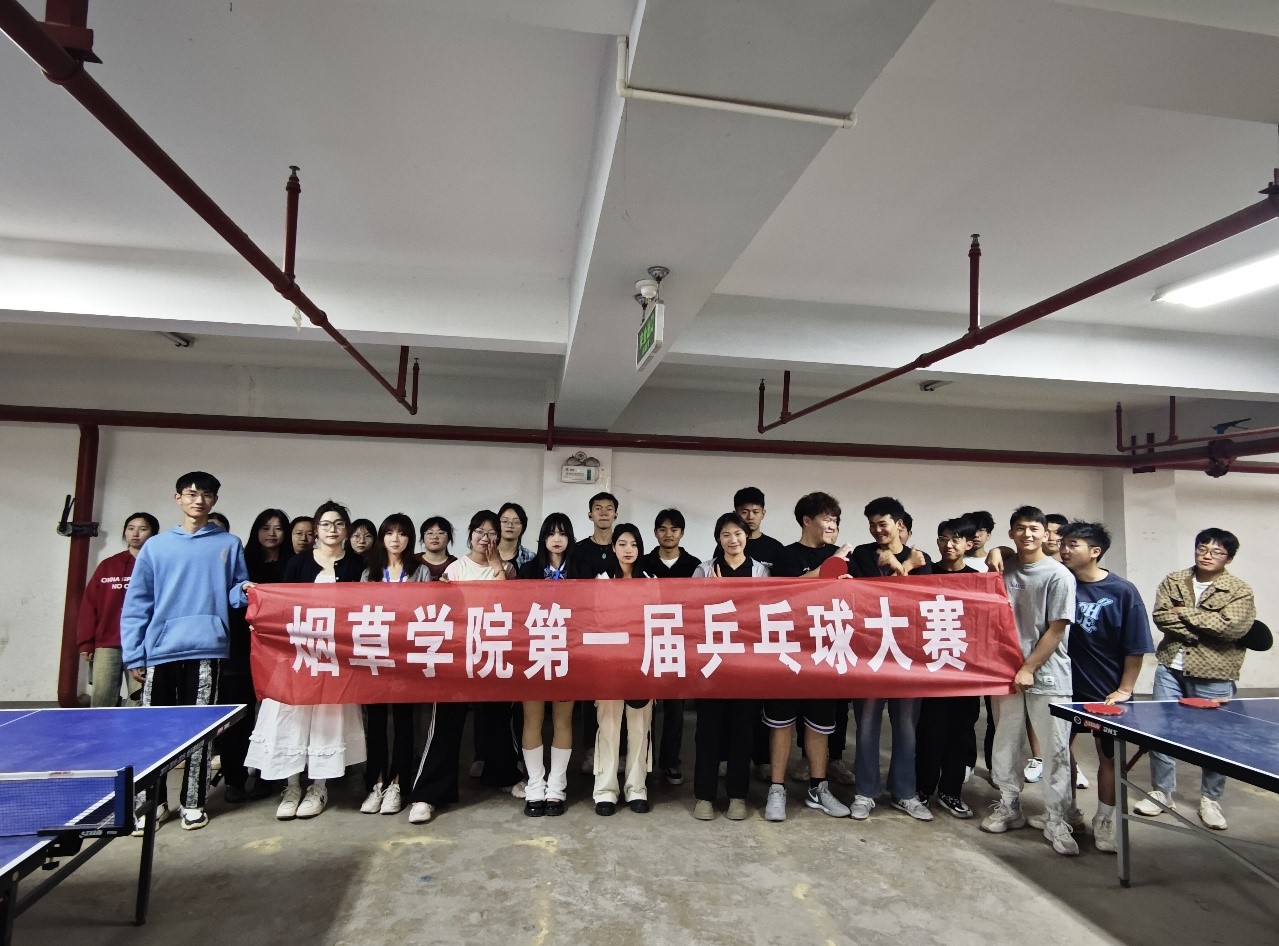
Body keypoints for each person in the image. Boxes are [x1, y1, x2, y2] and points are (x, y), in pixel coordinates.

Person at [120, 472, 251, 831]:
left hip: (208, 647)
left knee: (200, 731)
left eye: (206, 495)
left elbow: (234, 590)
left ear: (214, 501)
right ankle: (152, 803)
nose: (199, 500)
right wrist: (134, 654)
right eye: (192, 494)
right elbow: (138, 603)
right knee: (153, 730)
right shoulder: (156, 547)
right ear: (177, 498)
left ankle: (193, 802)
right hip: (160, 650)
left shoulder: (229, 544)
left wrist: (244, 591)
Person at [245, 501, 367, 821]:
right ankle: (291, 786)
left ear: (346, 529)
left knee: (328, 717)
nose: (332, 530)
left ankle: (318, 787)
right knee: (291, 716)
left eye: (338, 524)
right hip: (297, 654)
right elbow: (282, 606)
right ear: (316, 529)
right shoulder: (297, 563)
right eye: (325, 524)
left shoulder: (357, 565)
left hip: (335, 656)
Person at [1136, 528, 1255, 831]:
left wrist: (1185, 613)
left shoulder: (1239, 589)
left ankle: (1210, 799)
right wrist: (1203, 627)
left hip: (1214, 672)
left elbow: (1230, 628)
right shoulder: (1174, 580)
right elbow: (1161, 617)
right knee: (1161, 732)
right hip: (1169, 667)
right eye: (1202, 548)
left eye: (1216, 552)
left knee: (1214, 739)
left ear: (1229, 558)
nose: (1207, 555)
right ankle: (1162, 792)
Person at [979, 506, 1079, 856]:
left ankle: (1057, 818)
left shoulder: (1059, 575)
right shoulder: (1003, 569)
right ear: (1011, 533)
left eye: (1034, 528)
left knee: (1055, 749)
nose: (1028, 534)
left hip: (1048, 675)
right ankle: (1009, 805)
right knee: (1005, 742)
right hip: (1004, 673)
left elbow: (1057, 629)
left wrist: (1030, 667)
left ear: (1045, 534)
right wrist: (995, 552)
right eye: (1020, 528)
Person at [408, 510, 518, 825]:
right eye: (480, 532)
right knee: (445, 722)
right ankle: (428, 794)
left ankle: (504, 775)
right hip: (458, 653)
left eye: (492, 533)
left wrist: (497, 567)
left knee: (498, 716)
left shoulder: (508, 569)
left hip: (493, 649)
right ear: (470, 534)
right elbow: (446, 609)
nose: (485, 538)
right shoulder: (456, 568)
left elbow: (509, 603)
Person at [1056, 520, 1153, 850]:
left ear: (1095, 552)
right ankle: (1068, 812)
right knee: (1060, 753)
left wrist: (1124, 689)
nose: (1064, 550)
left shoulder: (1123, 591)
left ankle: (1105, 819)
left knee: (1108, 757)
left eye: (1073, 545)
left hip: (1106, 692)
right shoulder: (1061, 582)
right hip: (1065, 688)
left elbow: (1135, 646)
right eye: (1063, 544)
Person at [763, 492, 853, 822]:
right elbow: (785, 590)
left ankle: (819, 788)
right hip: (788, 652)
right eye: (827, 519)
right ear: (807, 521)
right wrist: (827, 570)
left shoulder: (843, 556)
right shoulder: (785, 555)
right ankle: (777, 789)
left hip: (825, 652)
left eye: (835, 520)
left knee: (820, 725)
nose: (832, 525)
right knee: (782, 723)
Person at [846, 497, 933, 823]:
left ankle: (905, 792)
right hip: (870, 653)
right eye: (872, 525)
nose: (876, 530)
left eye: (882, 523)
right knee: (867, 725)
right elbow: (863, 595)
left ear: (899, 525)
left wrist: (902, 567)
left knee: (907, 727)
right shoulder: (862, 556)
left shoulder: (922, 559)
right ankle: (865, 792)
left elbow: (922, 600)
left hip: (909, 655)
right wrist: (902, 568)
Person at [691, 513, 768, 821]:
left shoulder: (761, 571)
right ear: (718, 539)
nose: (732, 540)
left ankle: (738, 796)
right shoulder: (704, 570)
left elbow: (763, 611)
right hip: (712, 662)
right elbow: (691, 611)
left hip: (747, 662)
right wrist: (711, 591)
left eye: (737, 533)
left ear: (746, 536)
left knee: (743, 730)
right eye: (726, 534)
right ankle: (704, 796)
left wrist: (726, 594)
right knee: (707, 731)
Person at [219, 507, 292, 804]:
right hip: (241, 648)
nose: (272, 534)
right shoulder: (243, 562)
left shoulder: (294, 564)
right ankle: (234, 779)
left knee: (274, 716)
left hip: (279, 651)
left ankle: (266, 776)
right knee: (238, 717)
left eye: (278, 528)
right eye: (265, 527)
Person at [360, 514, 431, 817]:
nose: (395, 539)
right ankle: (376, 782)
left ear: (409, 539)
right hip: (375, 655)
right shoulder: (370, 573)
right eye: (390, 533)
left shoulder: (421, 571)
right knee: (375, 722)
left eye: (402, 533)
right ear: (382, 538)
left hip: (406, 656)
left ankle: (398, 784)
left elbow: (427, 611)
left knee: (404, 722)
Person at [913, 517, 980, 819]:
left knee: (961, 732)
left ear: (969, 544)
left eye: (956, 539)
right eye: (943, 538)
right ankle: (923, 788)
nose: (949, 544)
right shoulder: (925, 574)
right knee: (930, 732)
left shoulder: (979, 579)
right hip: (931, 667)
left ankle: (951, 791)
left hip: (965, 670)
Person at [592, 523, 656, 816]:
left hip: (641, 664)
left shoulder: (650, 581)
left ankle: (636, 788)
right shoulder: (601, 581)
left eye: (633, 544)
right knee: (608, 726)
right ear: (613, 548)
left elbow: (657, 622)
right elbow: (596, 622)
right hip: (610, 664)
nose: (628, 550)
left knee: (639, 728)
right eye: (622, 544)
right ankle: (605, 790)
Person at [516, 513, 576, 816]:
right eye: (551, 533)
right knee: (532, 721)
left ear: (570, 538)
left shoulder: (581, 570)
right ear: (542, 538)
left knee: (563, 721)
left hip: (568, 654)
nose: (557, 539)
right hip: (534, 652)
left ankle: (556, 787)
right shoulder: (528, 570)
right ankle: (535, 786)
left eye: (562, 533)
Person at [640, 508, 701, 787]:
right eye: (663, 529)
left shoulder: (694, 565)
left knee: (675, 707)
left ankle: (671, 761)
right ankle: (644, 761)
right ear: (655, 532)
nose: (668, 534)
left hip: (679, 641)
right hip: (647, 641)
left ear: (682, 533)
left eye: (674, 529)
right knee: (645, 706)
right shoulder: (643, 563)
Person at [78, 512, 159, 708]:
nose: (135, 534)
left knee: (139, 699)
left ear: (153, 533)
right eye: (131, 528)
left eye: (142, 529)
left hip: (144, 644)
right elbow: (89, 604)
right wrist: (86, 642)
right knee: (102, 698)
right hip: (107, 642)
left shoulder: (158, 565)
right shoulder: (108, 566)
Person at [734, 486, 786, 572]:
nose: (750, 517)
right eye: (744, 512)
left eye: (755, 512)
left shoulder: (776, 548)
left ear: (763, 514)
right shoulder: (729, 546)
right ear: (735, 514)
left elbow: (784, 579)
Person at [497, 502, 535, 570]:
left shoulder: (530, 557)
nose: (510, 525)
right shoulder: (486, 552)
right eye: (505, 521)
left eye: (516, 522)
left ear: (523, 527)